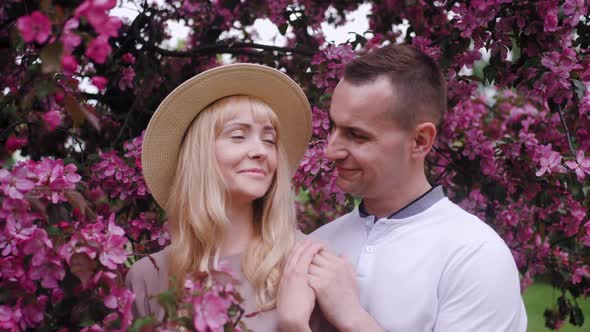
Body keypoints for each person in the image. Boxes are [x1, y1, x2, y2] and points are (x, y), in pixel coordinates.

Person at [277, 44, 527, 331]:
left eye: (356, 135)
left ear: (420, 141)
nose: (330, 151)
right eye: (333, 127)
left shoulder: (474, 255)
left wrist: (352, 318)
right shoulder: (315, 246)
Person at [125, 63, 312, 330]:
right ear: (199, 155)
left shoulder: (306, 263)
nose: (260, 151)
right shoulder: (147, 278)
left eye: (269, 140)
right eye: (238, 136)